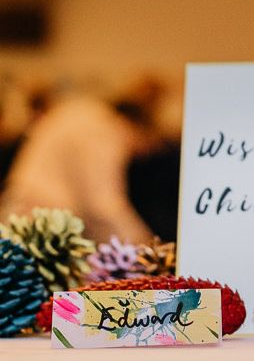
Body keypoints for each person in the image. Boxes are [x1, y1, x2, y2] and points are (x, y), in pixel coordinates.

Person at [0, 83, 162, 243]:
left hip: (27, 207)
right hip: (41, 219)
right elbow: (102, 203)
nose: (138, 153)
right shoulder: (105, 130)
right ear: (138, 128)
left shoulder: (83, 112)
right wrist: (143, 243)